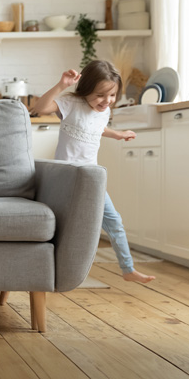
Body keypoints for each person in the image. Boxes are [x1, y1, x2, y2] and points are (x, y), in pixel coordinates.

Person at [30, 59, 155, 283]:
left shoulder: (103, 111)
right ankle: (47, 268)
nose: (106, 101)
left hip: (92, 179)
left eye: (112, 96)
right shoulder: (70, 103)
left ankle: (127, 269)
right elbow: (40, 109)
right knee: (62, 226)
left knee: (114, 222)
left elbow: (96, 127)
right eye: (100, 95)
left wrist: (116, 134)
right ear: (86, 89)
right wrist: (61, 84)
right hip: (67, 178)